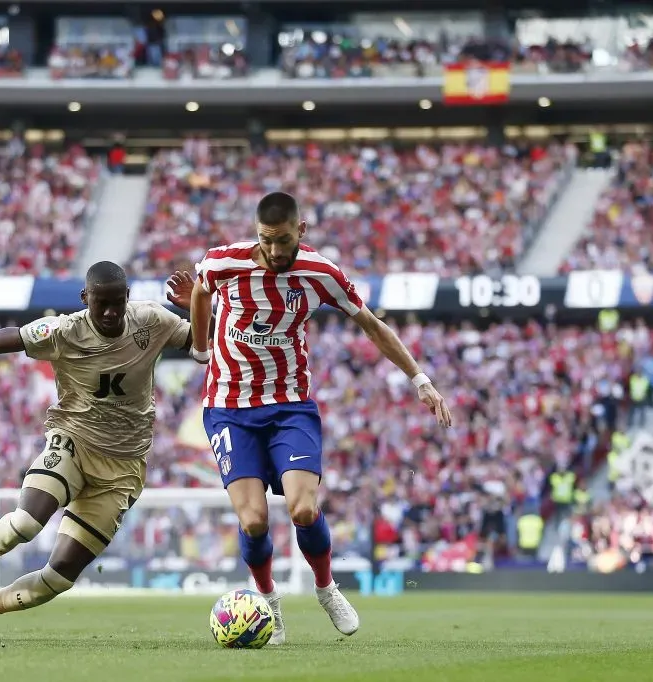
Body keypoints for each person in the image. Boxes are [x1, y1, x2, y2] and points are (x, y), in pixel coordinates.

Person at [184, 191, 453, 645]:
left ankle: (326, 588)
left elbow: (371, 325)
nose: (274, 250)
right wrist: (199, 347)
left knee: (303, 509)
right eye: (266, 240)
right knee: (253, 521)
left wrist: (419, 379)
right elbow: (199, 290)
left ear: (301, 230)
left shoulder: (320, 272)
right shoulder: (222, 262)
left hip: (289, 405)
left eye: (283, 240)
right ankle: (268, 602)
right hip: (229, 408)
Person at [0, 261, 196, 640]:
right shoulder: (63, 331)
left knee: (58, 578)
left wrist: (199, 305)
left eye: (117, 303)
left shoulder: (153, 321)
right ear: (85, 298)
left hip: (124, 467)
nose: (109, 312)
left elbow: (206, 343)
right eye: (100, 303)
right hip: (74, 442)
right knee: (26, 523)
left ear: (128, 297)